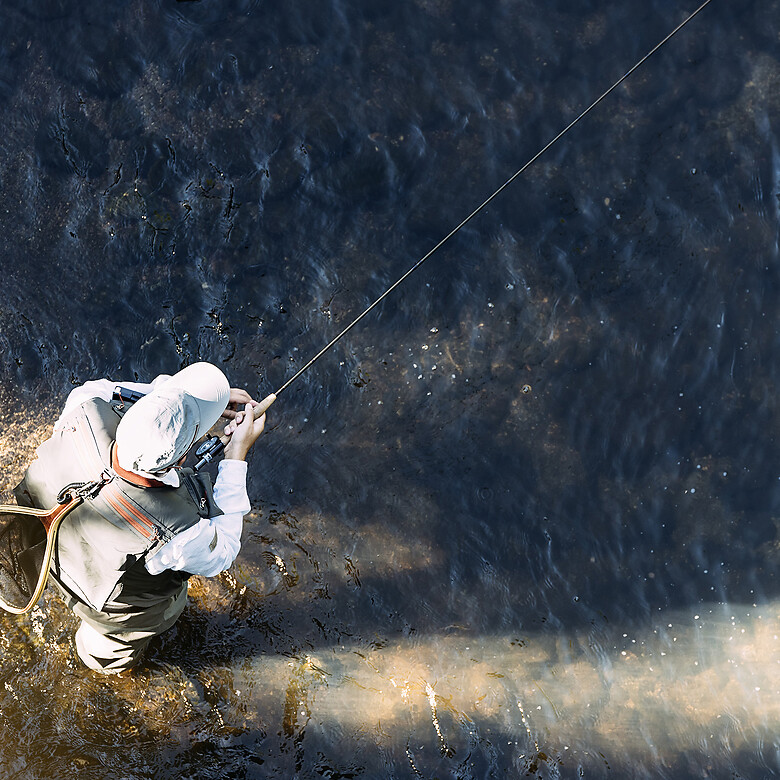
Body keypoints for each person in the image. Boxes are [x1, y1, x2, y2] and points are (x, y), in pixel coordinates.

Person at [15, 362, 266, 674]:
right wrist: (235, 457)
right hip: (110, 614)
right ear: (182, 458)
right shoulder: (179, 536)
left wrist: (186, 400)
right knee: (105, 654)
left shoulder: (86, 404)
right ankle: (105, 667)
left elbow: (120, 393)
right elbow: (223, 552)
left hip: (43, 555)